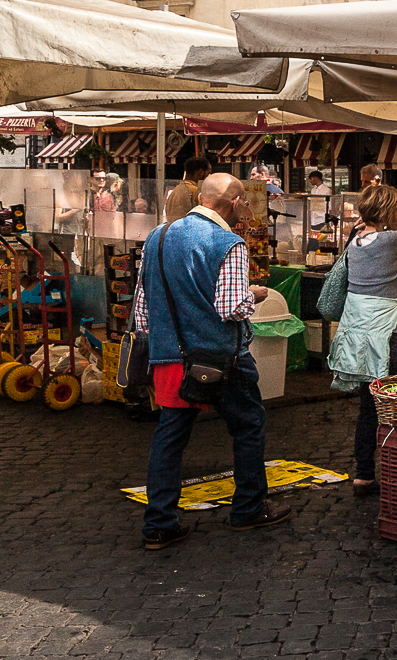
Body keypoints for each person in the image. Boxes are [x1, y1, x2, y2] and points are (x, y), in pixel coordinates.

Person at [133, 173, 289, 550]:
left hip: (171, 357)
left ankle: (159, 524)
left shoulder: (159, 235)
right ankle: (249, 508)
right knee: (248, 427)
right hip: (222, 360)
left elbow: (141, 307)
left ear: (202, 197)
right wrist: (255, 293)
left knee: (170, 437)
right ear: (234, 202)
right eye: (244, 205)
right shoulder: (228, 243)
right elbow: (231, 307)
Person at [327, 182, 397, 496]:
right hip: (391, 340)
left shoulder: (355, 241)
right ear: (389, 213)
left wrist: (369, 223)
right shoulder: (392, 239)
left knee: (368, 410)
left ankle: (364, 474)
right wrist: (392, 225)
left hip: (361, 340)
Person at [165, 157, 211, 224]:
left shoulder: (175, 191)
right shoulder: (196, 192)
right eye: (208, 173)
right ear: (200, 172)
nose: (208, 176)